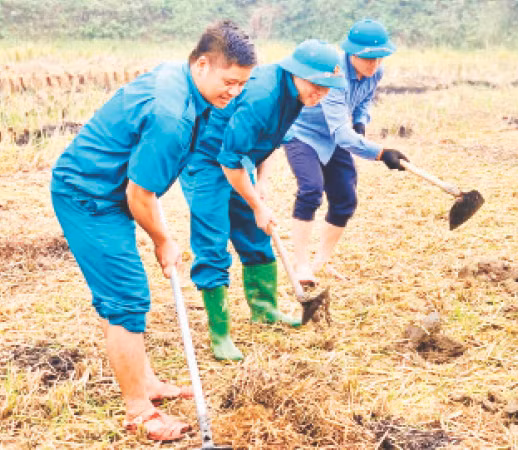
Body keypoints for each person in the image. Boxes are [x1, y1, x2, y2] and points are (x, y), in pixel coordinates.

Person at [50, 21, 256, 441]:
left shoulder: (180, 82)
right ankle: (138, 410)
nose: (233, 92)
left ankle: (146, 383)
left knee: (121, 294)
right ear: (202, 64)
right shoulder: (172, 115)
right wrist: (164, 240)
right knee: (126, 298)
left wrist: (160, 234)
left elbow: (141, 180)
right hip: (87, 195)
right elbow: (139, 195)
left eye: (242, 84)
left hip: (107, 189)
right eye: (229, 81)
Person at [179, 39, 346, 361]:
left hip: (239, 161)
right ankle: (220, 335)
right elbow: (228, 159)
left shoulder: (295, 94)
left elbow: (268, 141)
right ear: (297, 72)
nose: (321, 93)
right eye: (316, 84)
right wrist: (256, 204)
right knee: (212, 239)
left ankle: (265, 309)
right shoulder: (263, 96)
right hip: (205, 158)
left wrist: (261, 182)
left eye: (328, 87)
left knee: (256, 234)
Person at [283, 19, 409, 285]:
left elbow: (363, 101)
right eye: (368, 58)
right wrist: (381, 152)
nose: (374, 64)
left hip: (335, 135)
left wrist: (361, 122)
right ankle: (301, 264)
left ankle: (321, 262)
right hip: (303, 134)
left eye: (379, 58)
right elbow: (342, 134)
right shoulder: (334, 74)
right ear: (351, 52)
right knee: (311, 189)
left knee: (345, 199)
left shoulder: (376, 72)